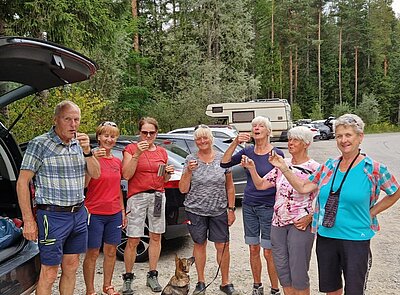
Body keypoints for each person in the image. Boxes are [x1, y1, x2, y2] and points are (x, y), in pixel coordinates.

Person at [269, 114, 400, 295]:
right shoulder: (329, 166)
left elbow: (395, 192)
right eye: (339, 136)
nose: (343, 140)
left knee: (354, 290)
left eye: (348, 135)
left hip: (356, 238)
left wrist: (372, 212)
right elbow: (303, 186)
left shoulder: (373, 168)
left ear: (360, 137)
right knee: (331, 290)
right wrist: (284, 167)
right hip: (327, 237)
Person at [16, 100, 101, 295]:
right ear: (56, 120)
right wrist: (28, 221)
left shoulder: (80, 145)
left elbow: (95, 174)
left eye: (77, 120)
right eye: (68, 119)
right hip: (52, 216)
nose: (73, 124)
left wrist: (88, 152)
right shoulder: (40, 144)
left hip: (78, 214)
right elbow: (22, 182)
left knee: (71, 266)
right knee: (50, 271)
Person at [243, 126, 320, 295]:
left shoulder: (315, 168)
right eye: (290, 139)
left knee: (298, 272)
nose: (290, 143)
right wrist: (252, 168)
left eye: (295, 140)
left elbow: (311, 193)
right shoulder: (283, 163)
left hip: (300, 224)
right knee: (283, 271)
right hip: (277, 223)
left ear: (306, 144)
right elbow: (261, 184)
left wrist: (311, 217)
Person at [221, 116, 282, 295]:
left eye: (261, 125)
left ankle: (275, 288)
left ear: (268, 131)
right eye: (254, 125)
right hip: (249, 205)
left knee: (269, 251)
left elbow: (279, 181)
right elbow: (224, 163)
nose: (256, 128)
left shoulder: (276, 154)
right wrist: (235, 141)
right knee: (253, 248)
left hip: (269, 206)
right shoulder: (247, 151)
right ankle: (257, 286)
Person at [179, 125, 239, 295]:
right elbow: (183, 189)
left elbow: (230, 187)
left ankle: (225, 282)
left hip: (219, 209)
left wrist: (231, 209)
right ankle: (200, 281)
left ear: (211, 139)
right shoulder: (190, 159)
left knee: (222, 246)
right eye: (199, 138)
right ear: (195, 141)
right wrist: (189, 172)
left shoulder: (222, 159)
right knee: (199, 244)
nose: (202, 141)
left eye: (205, 138)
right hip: (195, 210)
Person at [121, 117, 174, 294]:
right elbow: (127, 175)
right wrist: (137, 154)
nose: (148, 135)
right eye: (145, 132)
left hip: (158, 195)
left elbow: (164, 180)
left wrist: (167, 173)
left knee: (156, 237)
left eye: (152, 132)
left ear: (156, 133)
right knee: (133, 238)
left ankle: (152, 275)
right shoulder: (130, 149)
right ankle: (128, 277)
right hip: (137, 196)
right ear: (139, 133)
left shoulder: (162, 152)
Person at [83, 121, 126, 295]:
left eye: (113, 136)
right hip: (94, 212)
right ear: (99, 137)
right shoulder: (90, 157)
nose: (109, 139)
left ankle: (107, 286)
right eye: (106, 135)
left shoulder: (117, 161)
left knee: (111, 252)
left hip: (114, 212)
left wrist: (122, 211)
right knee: (92, 252)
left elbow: (117, 188)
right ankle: (90, 290)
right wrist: (92, 159)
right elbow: (85, 185)